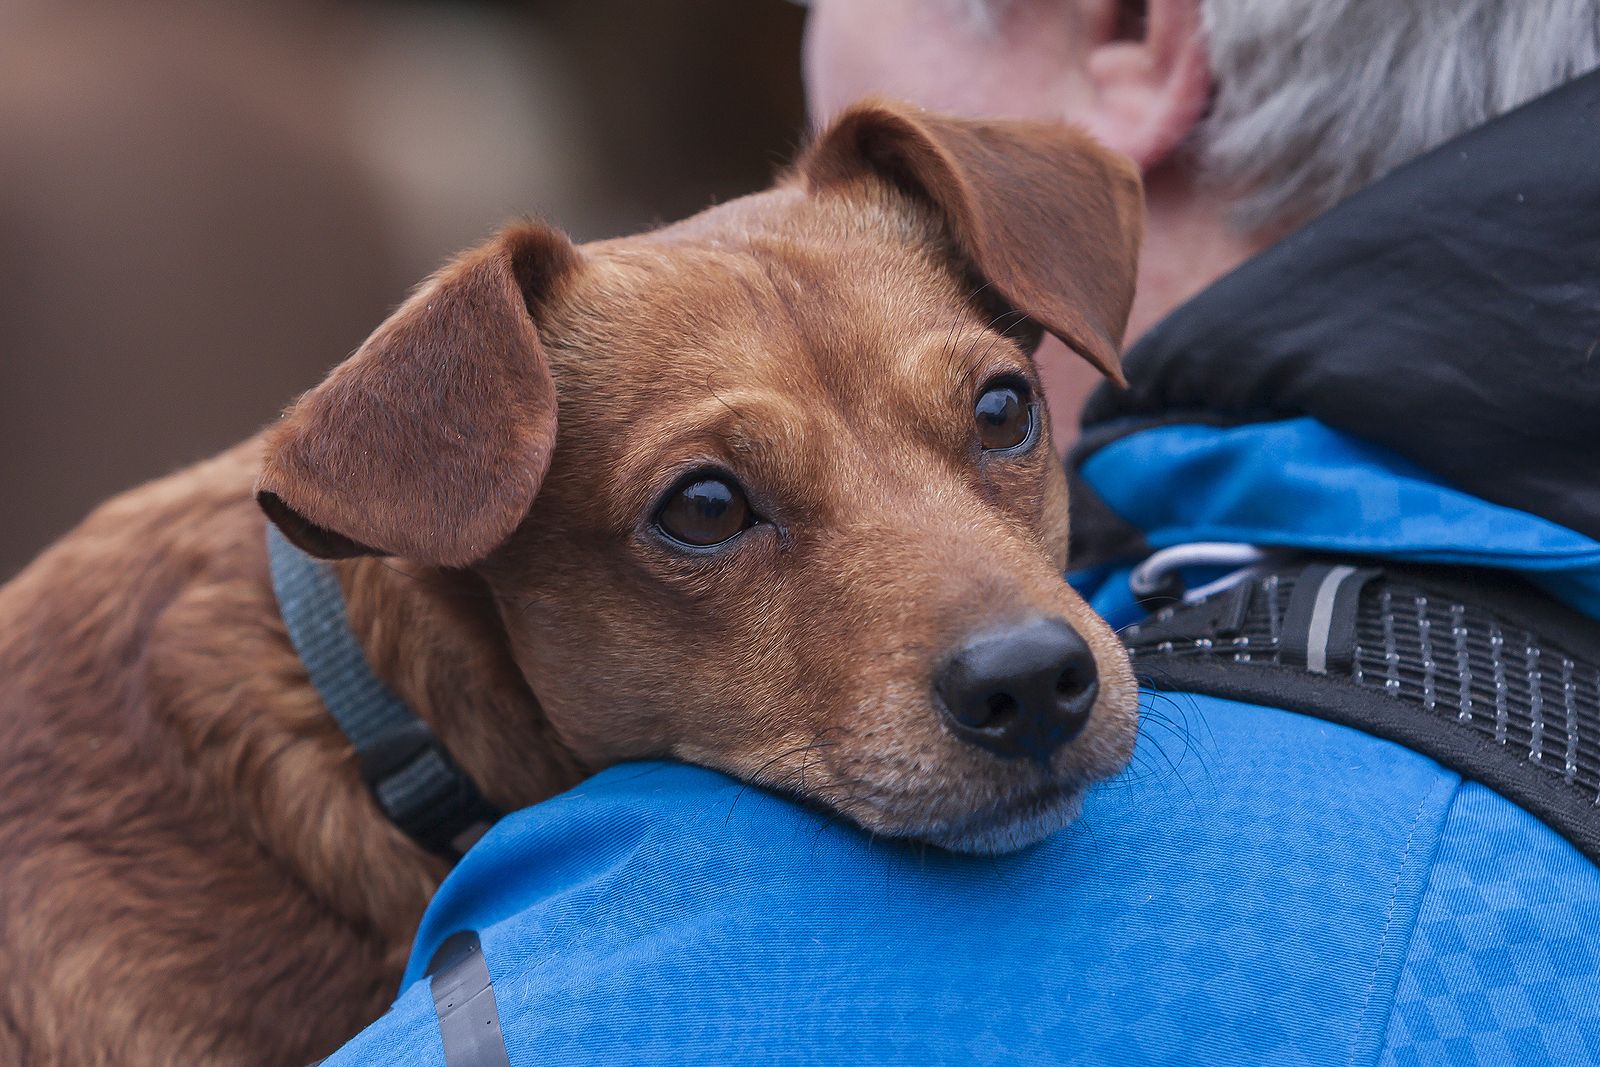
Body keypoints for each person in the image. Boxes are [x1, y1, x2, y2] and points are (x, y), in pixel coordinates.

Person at [324, 2, 1600, 1063]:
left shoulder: (641, 994)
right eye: (710, 509)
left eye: (994, 420)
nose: (1017, 645)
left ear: (1125, 29)